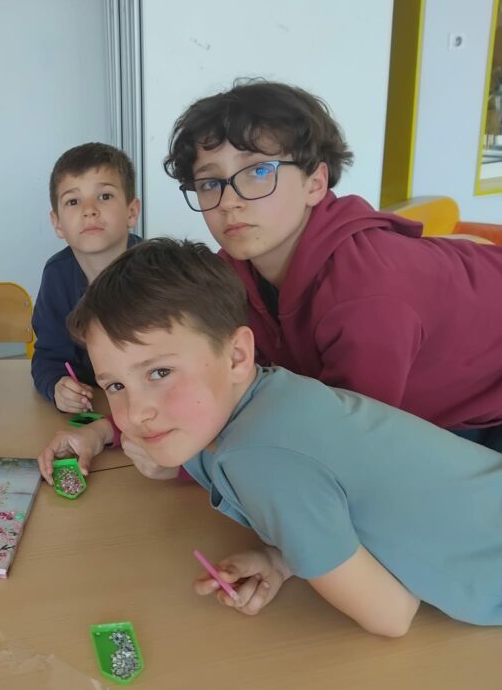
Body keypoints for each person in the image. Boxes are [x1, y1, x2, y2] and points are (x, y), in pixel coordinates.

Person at [40, 238, 502, 636]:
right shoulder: (267, 395)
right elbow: (342, 498)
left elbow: (392, 615)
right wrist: (285, 557)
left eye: (159, 372)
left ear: (238, 355)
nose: (136, 412)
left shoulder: (258, 458)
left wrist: (307, 548)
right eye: (114, 385)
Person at [164, 79, 502, 451]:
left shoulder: (365, 296)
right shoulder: (231, 273)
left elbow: (345, 445)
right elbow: (188, 366)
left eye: (258, 171)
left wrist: (194, 458)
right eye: (210, 183)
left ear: (315, 183)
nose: (229, 201)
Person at [32, 142, 142, 413]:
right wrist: (57, 386)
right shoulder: (57, 275)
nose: (89, 210)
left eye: (104, 196)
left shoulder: (159, 271)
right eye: (73, 201)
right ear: (57, 223)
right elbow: (48, 355)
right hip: (92, 408)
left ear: (131, 212)